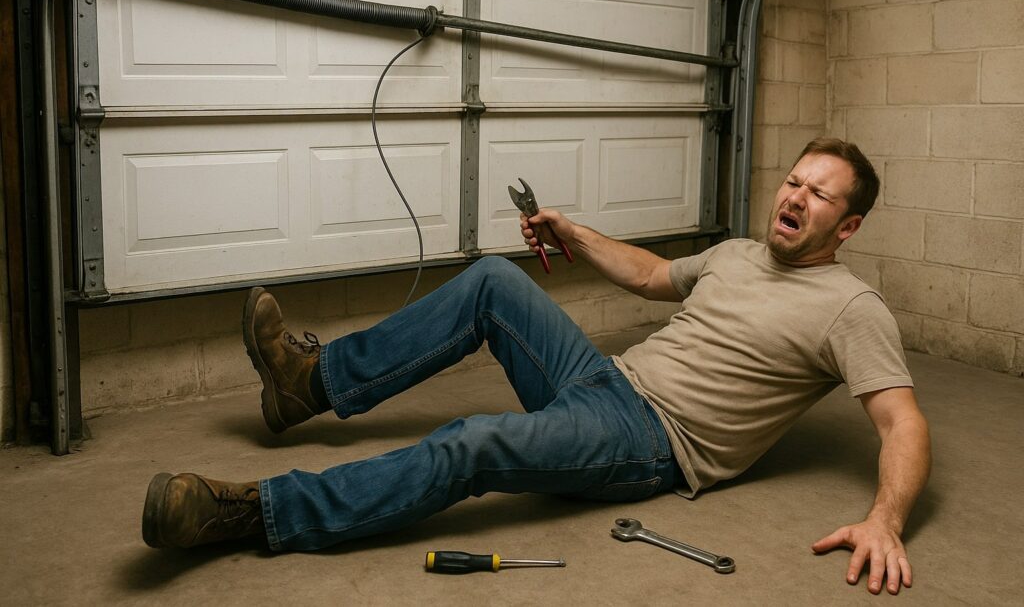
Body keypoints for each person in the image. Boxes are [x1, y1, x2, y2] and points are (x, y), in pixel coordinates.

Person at [141, 138, 930, 596]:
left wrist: (886, 519)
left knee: (473, 442)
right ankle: (305, 382)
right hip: (606, 378)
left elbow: (902, 420)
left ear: (848, 223)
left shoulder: (849, 308)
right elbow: (654, 276)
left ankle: (257, 512)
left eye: (819, 195)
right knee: (493, 279)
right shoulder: (741, 252)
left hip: (651, 441)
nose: (796, 196)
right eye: (795, 179)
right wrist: (571, 229)